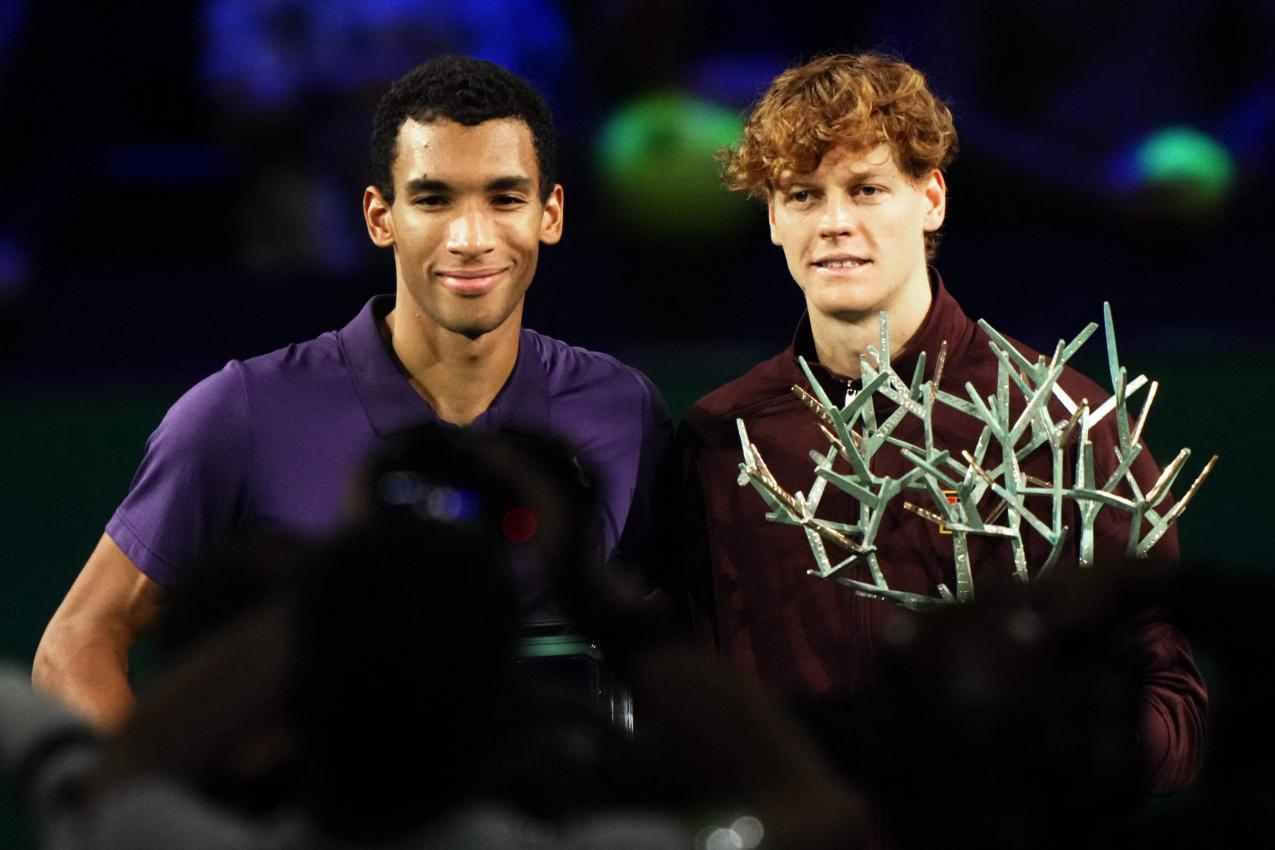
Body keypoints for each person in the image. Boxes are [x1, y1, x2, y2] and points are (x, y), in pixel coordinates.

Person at [32, 55, 670, 731]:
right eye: (433, 198)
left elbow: (682, 642)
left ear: (551, 213)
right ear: (379, 216)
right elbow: (75, 643)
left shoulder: (623, 409)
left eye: (504, 198)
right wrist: (160, 821)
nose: (471, 236)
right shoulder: (240, 412)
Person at [663, 52, 1207, 802]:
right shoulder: (721, 441)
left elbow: (1167, 702)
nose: (834, 223)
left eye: (867, 189)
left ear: (932, 199)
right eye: (801, 194)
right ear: (771, 219)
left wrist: (1052, 739)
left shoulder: (1065, 424)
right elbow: (702, 691)